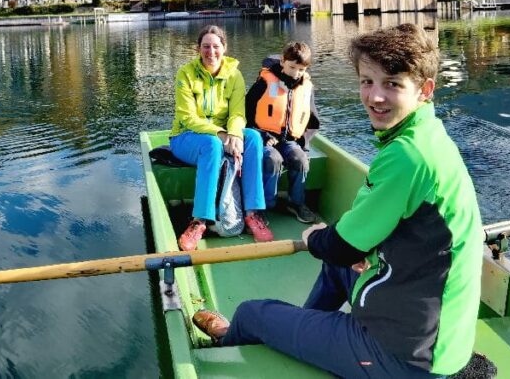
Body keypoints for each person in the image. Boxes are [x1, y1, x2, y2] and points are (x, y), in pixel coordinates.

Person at [192, 24, 483, 378]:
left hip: (402, 356)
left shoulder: (407, 156)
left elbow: (342, 245)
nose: (374, 96)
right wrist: (342, 247)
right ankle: (304, 331)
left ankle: (236, 338)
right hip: (433, 330)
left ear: (424, 90)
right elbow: (360, 248)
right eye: (367, 81)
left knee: (253, 312)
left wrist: (314, 237)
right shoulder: (429, 134)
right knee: (337, 266)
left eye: (392, 84)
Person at [171, 25, 272, 251]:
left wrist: (235, 134)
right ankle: (200, 221)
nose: (211, 52)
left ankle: (252, 214)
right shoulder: (185, 74)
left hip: (223, 133)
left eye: (216, 46)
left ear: (224, 48)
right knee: (212, 144)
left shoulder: (234, 75)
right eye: (205, 46)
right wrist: (221, 134)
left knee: (253, 138)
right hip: (187, 137)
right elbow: (187, 117)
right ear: (198, 49)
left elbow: (238, 113)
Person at [245, 41, 320, 224]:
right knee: (272, 160)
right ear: (283, 63)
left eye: (301, 69)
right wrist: (260, 134)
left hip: (291, 140)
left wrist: (304, 143)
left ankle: (296, 203)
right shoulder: (264, 82)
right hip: (264, 137)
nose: (296, 73)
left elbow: (313, 121)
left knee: (300, 160)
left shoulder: (306, 88)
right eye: (292, 67)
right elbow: (247, 111)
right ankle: (265, 205)